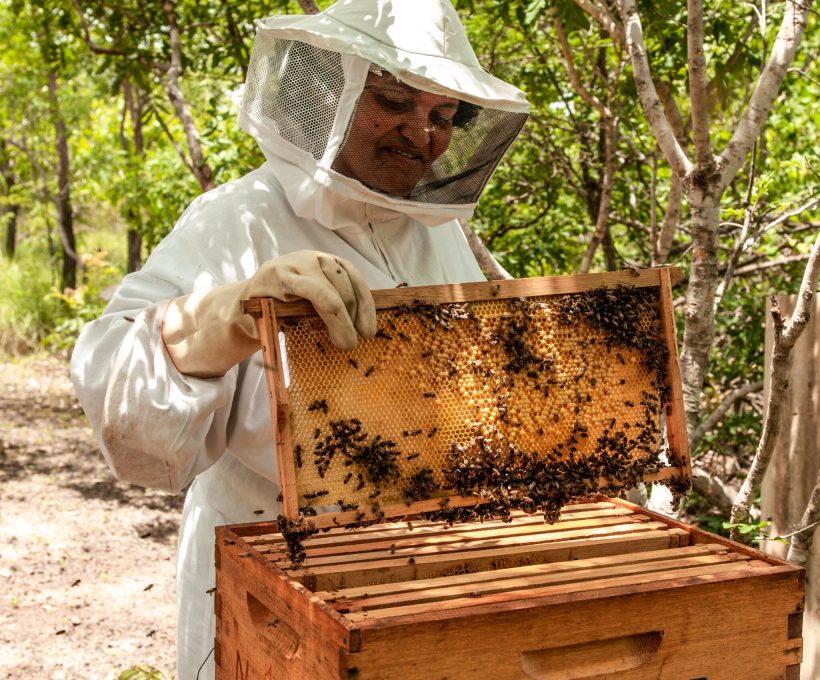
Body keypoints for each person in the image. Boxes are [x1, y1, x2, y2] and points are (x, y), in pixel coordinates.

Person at [69, 0, 530, 676]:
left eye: (441, 116)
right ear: (334, 94)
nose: (422, 134)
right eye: (396, 101)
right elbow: (110, 377)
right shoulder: (238, 218)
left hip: (419, 570)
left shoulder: (439, 235)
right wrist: (232, 313)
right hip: (273, 561)